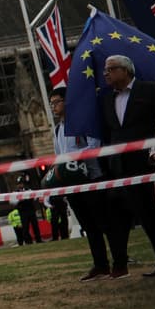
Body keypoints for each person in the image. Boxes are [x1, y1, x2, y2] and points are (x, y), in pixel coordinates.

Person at [97, 54, 155, 277]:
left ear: (125, 71)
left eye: (110, 69)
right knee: (146, 216)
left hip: (151, 164)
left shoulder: (150, 91)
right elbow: (110, 132)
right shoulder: (107, 100)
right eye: (105, 70)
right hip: (124, 169)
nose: (106, 74)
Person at [47, 87, 115, 280]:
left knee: (105, 223)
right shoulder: (59, 129)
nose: (54, 107)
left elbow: (94, 146)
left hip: (91, 180)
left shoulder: (83, 122)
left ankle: (120, 261)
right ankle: (100, 264)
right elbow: (59, 156)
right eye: (52, 103)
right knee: (89, 227)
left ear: (67, 102)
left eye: (57, 102)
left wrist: (76, 158)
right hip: (72, 185)